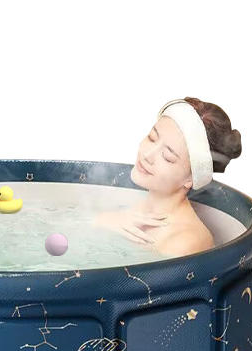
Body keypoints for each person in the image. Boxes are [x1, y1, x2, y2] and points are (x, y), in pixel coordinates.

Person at [95, 97, 242, 257]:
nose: (147, 155)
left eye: (167, 156)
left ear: (191, 179)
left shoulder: (185, 242)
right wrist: (104, 221)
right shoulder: (124, 211)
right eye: (152, 138)